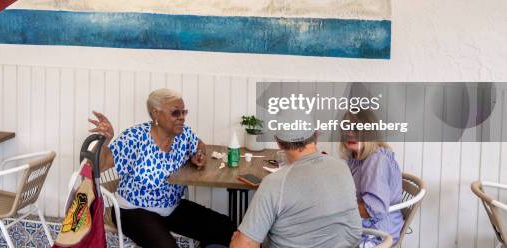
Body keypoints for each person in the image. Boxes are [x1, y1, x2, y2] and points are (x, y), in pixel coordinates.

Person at [89, 88, 235, 248]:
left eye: (184, 112)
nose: (182, 118)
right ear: (156, 113)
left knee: (226, 228)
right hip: (134, 210)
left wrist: (199, 154)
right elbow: (99, 166)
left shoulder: (183, 134)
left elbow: (199, 144)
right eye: (175, 113)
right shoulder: (135, 137)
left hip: (172, 207)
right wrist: (105, 140)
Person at [230, 125, 362, 248]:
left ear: (279, 143)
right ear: (315, 136)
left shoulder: (274, 183)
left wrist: (238, 240)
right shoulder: (342, 167)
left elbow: (243, 245)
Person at [340, 109, 404, 247]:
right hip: (362, 224)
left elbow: (373, 210)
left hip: (377, 233)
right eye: (346, 127)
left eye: (357, 128)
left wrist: (337, 210)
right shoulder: (355, 157)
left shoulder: (376, 160)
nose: (350, 133)